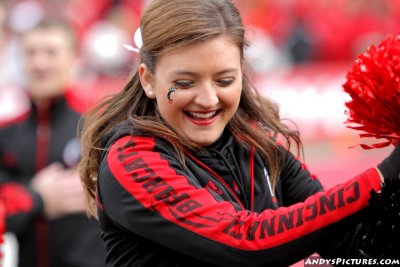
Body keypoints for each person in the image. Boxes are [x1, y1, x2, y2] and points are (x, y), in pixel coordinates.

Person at [79, 0, 400, 266]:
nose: (207, 99)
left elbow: (354, 247)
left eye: (224, 80)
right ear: (148, 80)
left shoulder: (256, 146)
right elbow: (246, 241)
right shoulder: (132, 159)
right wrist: (384, 175)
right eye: (186, 82)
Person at [0, 18, 106, 267]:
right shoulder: (7, 133)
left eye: (51, 52)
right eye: (31, 53)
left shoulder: (100, 125)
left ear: (75, 58)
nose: (39, 63)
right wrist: (37, 197)